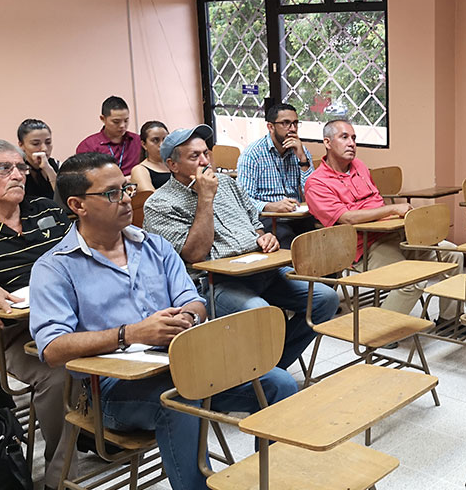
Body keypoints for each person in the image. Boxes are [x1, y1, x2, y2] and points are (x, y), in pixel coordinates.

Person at [29, 152, 297, 490]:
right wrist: (130, 333)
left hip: (181, 363)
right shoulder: (55, 267)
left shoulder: (152, 246)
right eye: (112, 192)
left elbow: (194, 298)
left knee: (278, 384)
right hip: (111, 393)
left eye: (127, 188)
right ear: (77, 205)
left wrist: (186, 317)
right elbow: (52, 349)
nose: (125, 199)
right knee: (178, 402)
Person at [142, 125, 337, 370]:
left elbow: (255, 223)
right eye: (195, 156)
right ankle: (262, 374)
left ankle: (272, 367)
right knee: (260, 312)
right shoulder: (159, 204)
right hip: (214, 283)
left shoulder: (227, 183)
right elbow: (194, 254)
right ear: (173, 165)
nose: (205, 161)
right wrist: (205, 198)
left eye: (206, 153)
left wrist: (265, 237)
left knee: (325, 298)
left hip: (261, 270)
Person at [0, 138, 77, 490]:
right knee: (60, 373)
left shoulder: (43, 209)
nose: (18, 174)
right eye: (4, 168)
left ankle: (104, 430)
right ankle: (59, 471)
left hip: (74, 313)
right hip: (15, 332)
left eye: (20, 167)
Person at [306, 119, 461, 318]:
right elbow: (347, 218)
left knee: (454, 255)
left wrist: (393, 215)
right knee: (412, 282)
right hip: (364, 247)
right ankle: (380, 330)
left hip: (396, 235)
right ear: (327, 142)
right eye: (344, 137)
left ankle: (450, 319)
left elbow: (374, 202)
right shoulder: (317, 183)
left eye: (354, 138)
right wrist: (392, 210)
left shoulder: (359, 166)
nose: (352, 143)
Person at [236, 103, 317, 247]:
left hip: (297, 215)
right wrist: (269, 206)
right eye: (285, 123)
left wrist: (303, 159)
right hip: (268, 218)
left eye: (295, 123)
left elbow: (313, 192)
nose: (292, 129)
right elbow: (243, 200)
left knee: (323, 241)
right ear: (270, 127)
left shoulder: (300, 151)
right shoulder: (252, 154)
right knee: (290, 243)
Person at [75, 96, 140, 176]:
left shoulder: (138, 141)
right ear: (103, 119)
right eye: (116, 122)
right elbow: (86, 178)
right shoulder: (88, 146)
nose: (122, 125)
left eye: (126, 120)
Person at [17, 119, 59, 202]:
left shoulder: (57, 165)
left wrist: (48, 169)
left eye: (48, 142)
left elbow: (63, 200)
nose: (44, 148)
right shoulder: (17, 169)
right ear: (21, 145)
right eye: (35, 144)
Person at [129, 121, 171, 193]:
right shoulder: (139, 169)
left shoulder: (176, 164)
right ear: (144, 144)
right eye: (155, 140)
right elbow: (149, 197)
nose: (161, 145)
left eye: (165, 140)